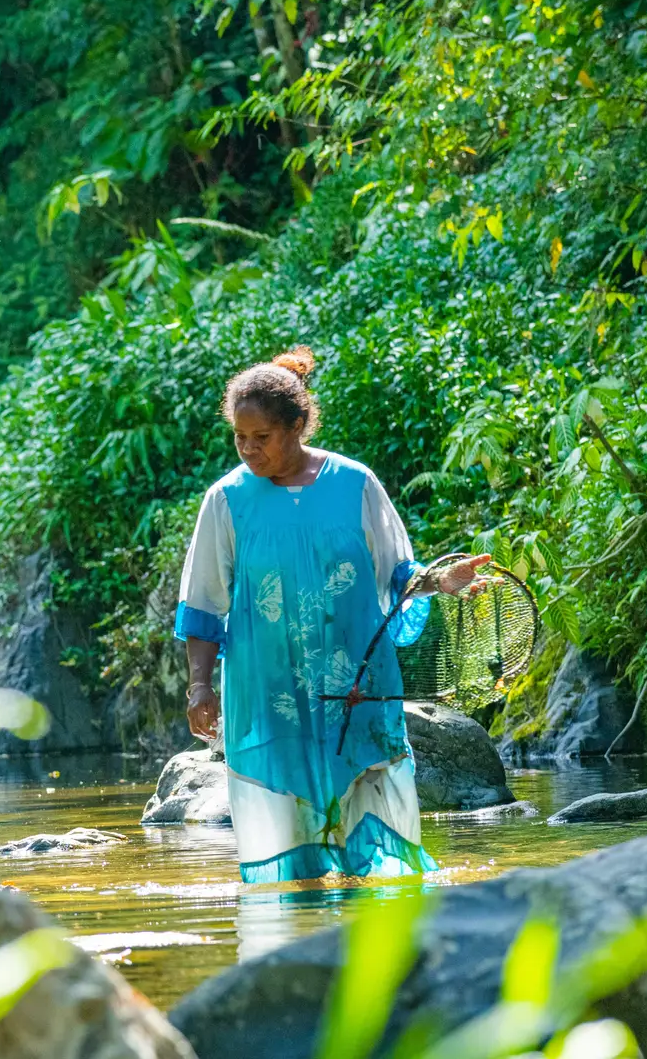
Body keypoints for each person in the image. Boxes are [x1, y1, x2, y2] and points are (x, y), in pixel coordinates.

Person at [174, 347, 487, 883]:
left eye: (262, 438)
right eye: (239, 438)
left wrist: (440, 580)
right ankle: (301, 934)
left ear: (297, 425)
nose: (248, 450)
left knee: (375, 825)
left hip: (357, 683)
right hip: (269, 691)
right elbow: (203, 602)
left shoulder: (355, 484)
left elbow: (397, 574)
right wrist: (200, 686)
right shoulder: (226, 500)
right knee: (289, 830)